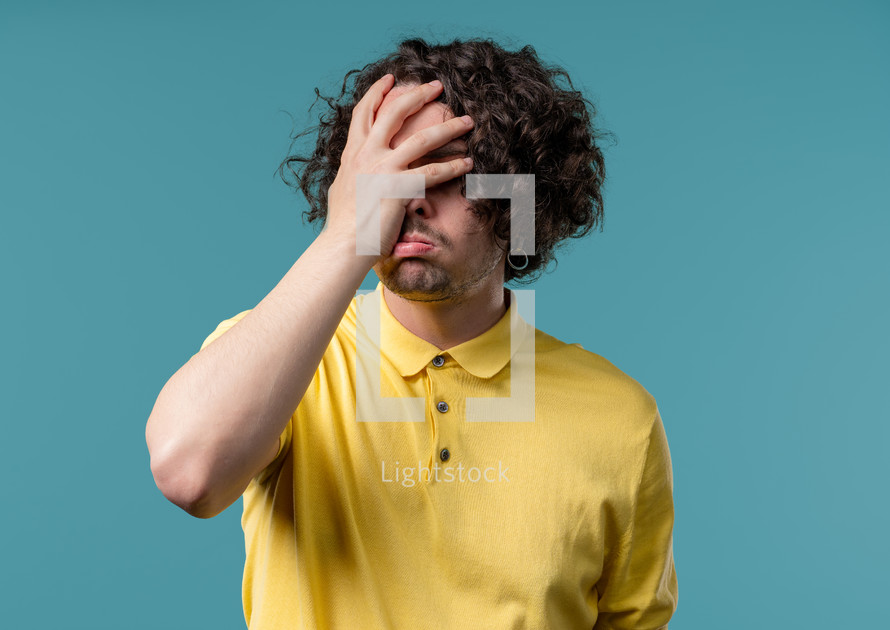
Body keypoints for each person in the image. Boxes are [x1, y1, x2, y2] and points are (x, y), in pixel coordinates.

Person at [146, 37, 678, 629]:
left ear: (523, 201)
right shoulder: (282, 356)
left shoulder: (619, 417)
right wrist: (346, 235)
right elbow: (189, 475)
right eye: (388, 174)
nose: (411, 201)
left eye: (449, 173)